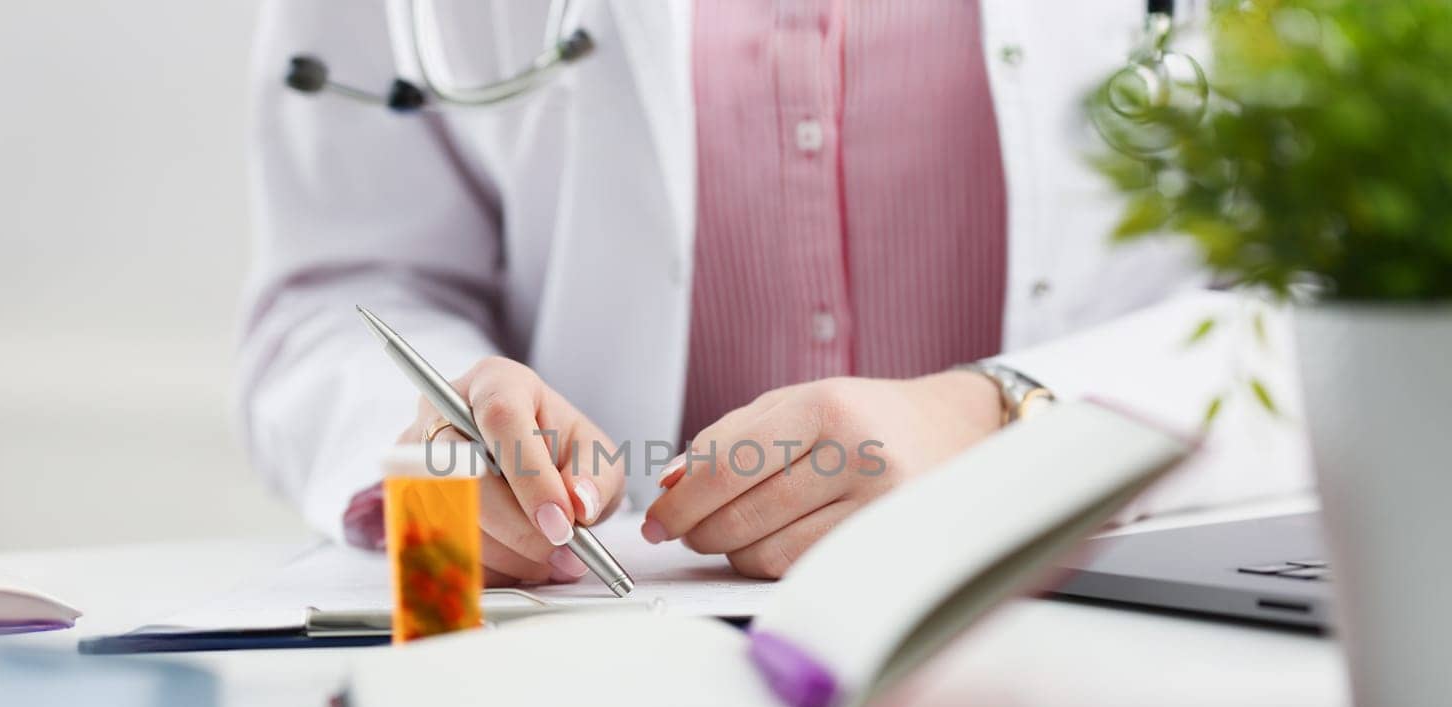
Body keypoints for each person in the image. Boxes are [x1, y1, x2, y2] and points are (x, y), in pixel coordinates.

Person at [238, 0, 1308, 587]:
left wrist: (997, 419)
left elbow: (1353, 307)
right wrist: (433, 453)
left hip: (1104, 616)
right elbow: (339, 294)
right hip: (588, 649)